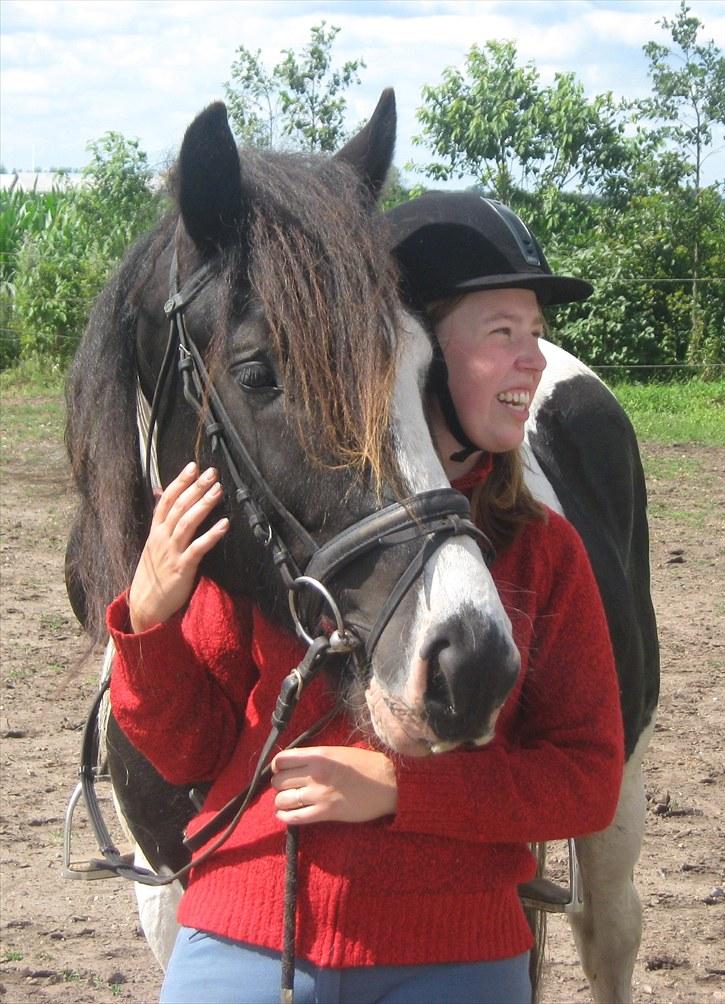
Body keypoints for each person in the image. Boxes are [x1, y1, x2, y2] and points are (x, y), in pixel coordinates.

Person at [107, 191, 624, 1004]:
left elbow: (589, 777)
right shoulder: (270, 524)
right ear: (409, 350)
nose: (535, 359)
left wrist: (397, 790)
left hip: (451, 939)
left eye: (537, 335)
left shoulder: (544, 550)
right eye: (502, 334)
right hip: (247, 929)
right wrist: (148, 624)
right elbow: (191, 755)